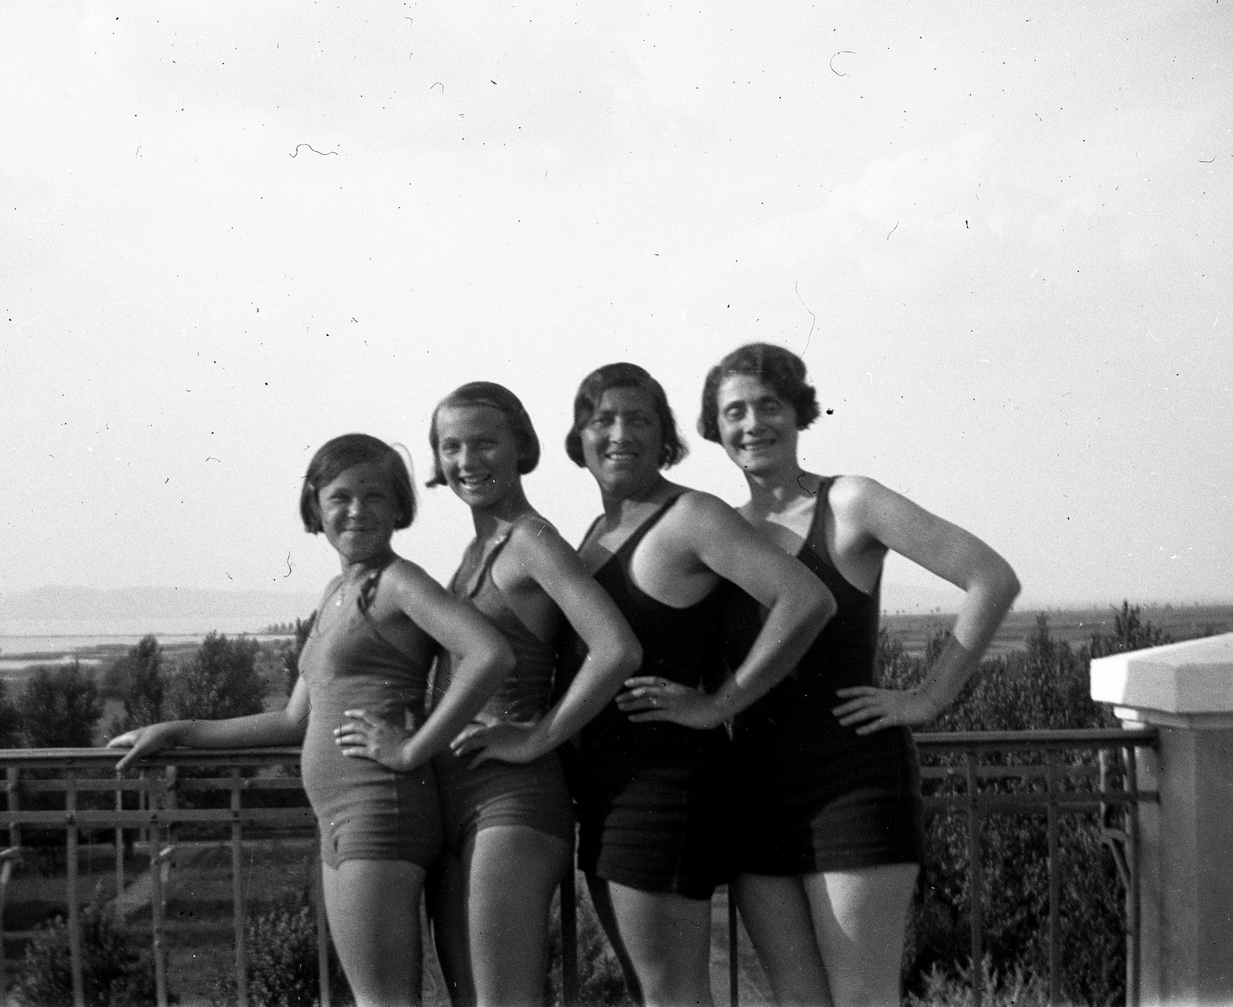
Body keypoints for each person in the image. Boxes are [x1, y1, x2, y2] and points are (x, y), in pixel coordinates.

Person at [108, 433, 515, 1007]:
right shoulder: (337, 591)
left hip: (380, 811)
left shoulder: (399, 581)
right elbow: (295, 719)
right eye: (341, 496)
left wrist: (412, 748)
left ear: (400, 506)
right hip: (349, 820)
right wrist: (179, 731)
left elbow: (489, 654)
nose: (357, 510)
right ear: (315, 507)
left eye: (375, 496)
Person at [696, 342, 1021, 1007]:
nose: (752, 423)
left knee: (861, 999)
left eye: (768, 406)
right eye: (734, 412)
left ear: (798, 412)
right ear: (715, 427)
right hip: (754, 791)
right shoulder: (717, 531)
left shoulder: (851, 502)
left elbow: (991, 577)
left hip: (853, 787)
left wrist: (929, 697)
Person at [563, 362, 837, 1007]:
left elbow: (805, 600)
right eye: (602, 419)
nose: (619, 433)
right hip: (609, 794)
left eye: (639, 419)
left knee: (673, 993)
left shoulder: (691, 516)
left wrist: (719, 704)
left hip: (664, 793)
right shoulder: (598, 533)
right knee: (650, 988)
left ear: (667, 438)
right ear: (580, 438)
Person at [423, 381, 644, 1007]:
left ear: (521, 446)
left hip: (513, 801)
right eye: (452, 446)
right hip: (457, 796)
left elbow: (617, 647)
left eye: (486, 443)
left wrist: (539, 736)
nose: (469, 461)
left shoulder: (530, 539)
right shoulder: (475, 548)